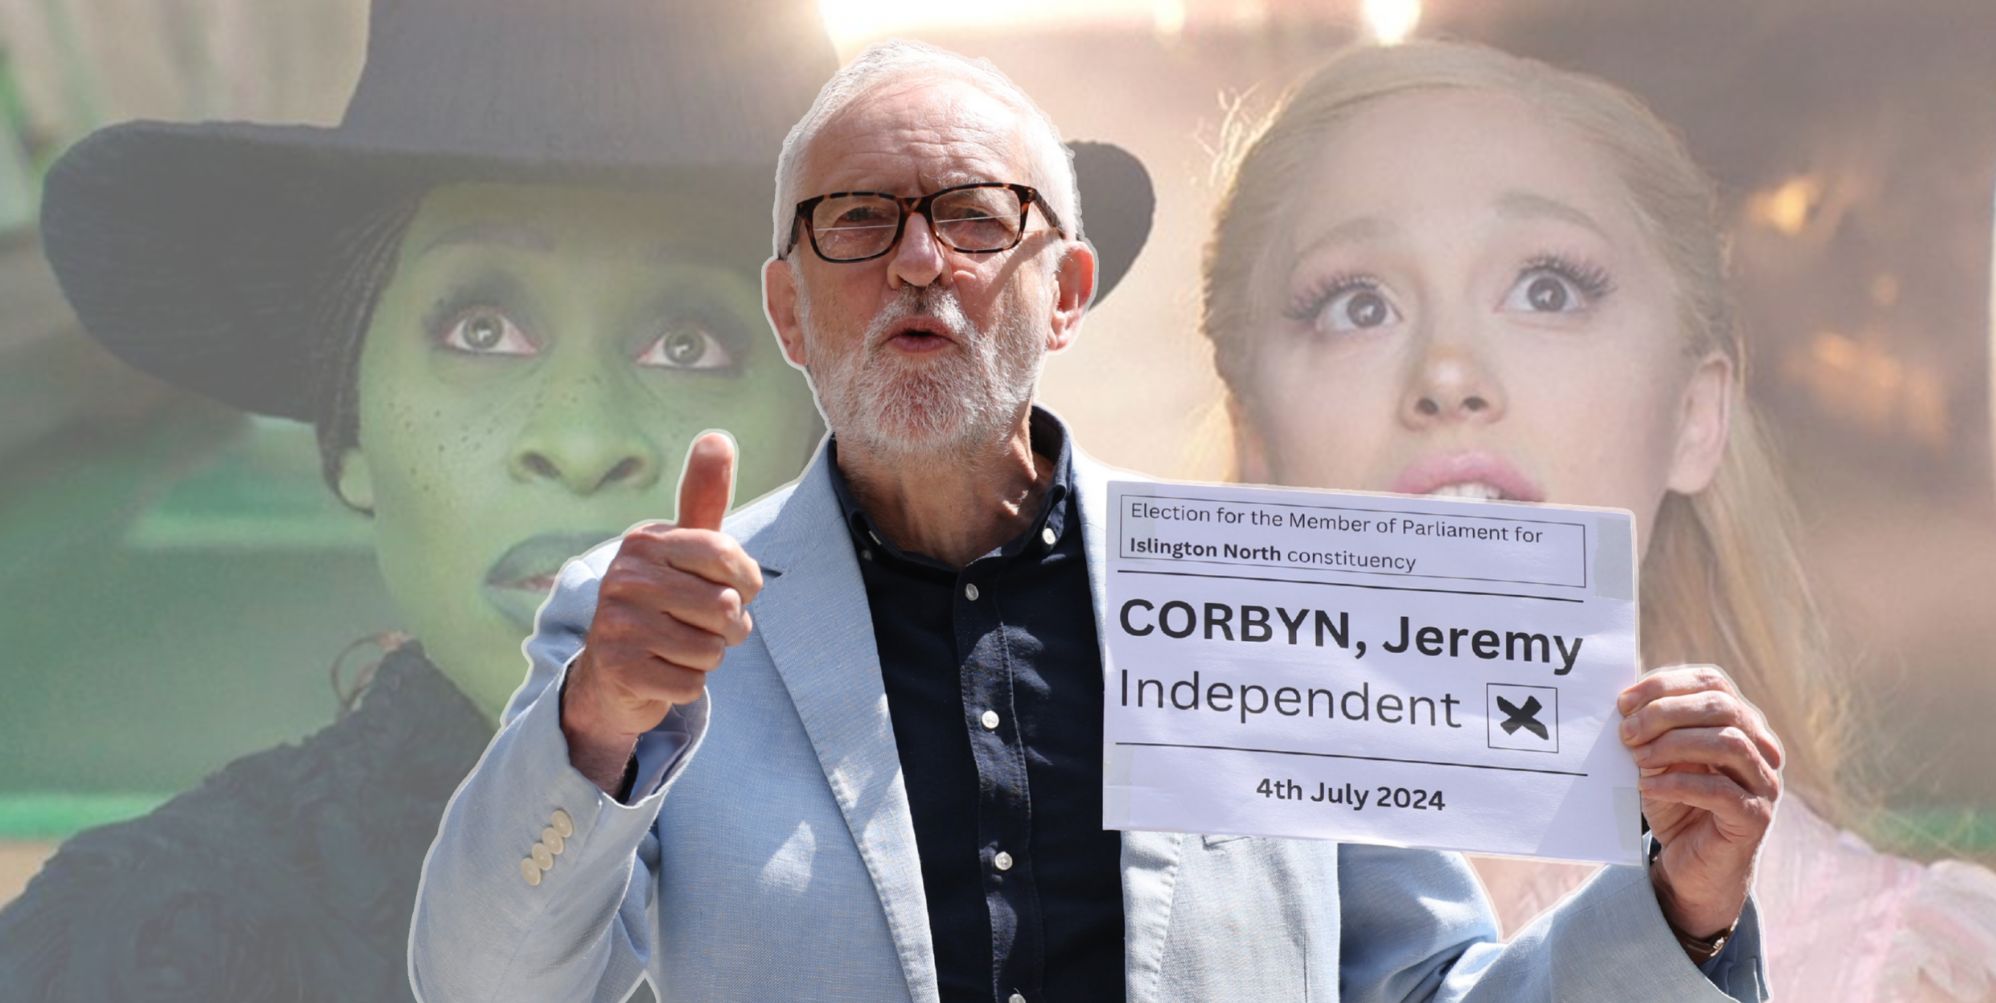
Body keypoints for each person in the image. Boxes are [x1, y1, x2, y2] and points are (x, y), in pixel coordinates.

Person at [411, 39, 1782, 1003]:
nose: (917, 259)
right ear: (786, 310)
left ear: (1067, 290)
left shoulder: (1278, 600)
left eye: (971, 213)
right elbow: (479, 979)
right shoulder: (653, 625)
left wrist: (1680, 905)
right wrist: (593, 731)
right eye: (857, 220)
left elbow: (1427, 988)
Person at [0, 3, 1152, 1000]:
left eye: (689, 340)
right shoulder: (138, 944)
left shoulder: (1052, 879)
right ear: (350, 437)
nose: (583, 440)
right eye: (479, 329)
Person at [1198, 39, 1996, 1002]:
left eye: (1547, 289)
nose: (1448, 372)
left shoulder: (1906, 968)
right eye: (1357, 304)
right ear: (1252, 444)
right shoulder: (1063, 904)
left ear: (1696, 417)